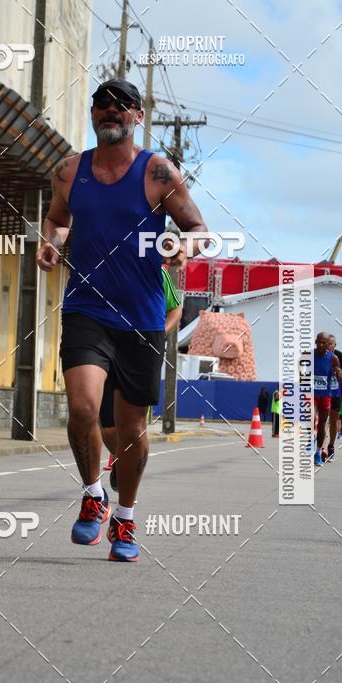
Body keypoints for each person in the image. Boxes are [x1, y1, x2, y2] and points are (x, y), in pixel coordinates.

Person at [36, 77, 208, 562]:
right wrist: (51, 241)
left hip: (142, 317)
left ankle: (125, 521)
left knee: (132, 434)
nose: (110, 112)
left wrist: (181, 247)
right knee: (84, 411)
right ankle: (94, 494)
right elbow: (58, 219)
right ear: (92, 116)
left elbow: (199, 228)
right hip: (86, 309)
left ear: (137, 116)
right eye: (101, 105)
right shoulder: (69, 172)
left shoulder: (157, 172)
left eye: (122, 106)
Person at [101, 264, 183, 491]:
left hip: (142, 349)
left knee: (132, 426)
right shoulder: (105, 265)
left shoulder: (158, 271)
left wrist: (160, 333)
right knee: (107, 427)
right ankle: (121, 458)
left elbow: (176, 308)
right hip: (107, 347)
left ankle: (128, 476)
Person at [313, 332, 340, 466]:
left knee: (322, 424)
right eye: (320, 342)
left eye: (325, 342)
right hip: (311, 394)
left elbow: (339, 377)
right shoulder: (308, 356)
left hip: (325, 395)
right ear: (316, 342)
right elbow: (300, 375)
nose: (323, 345)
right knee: (310, 416)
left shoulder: (333, 358)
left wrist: (338, 374)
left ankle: (318, 452)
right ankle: (309, 440)